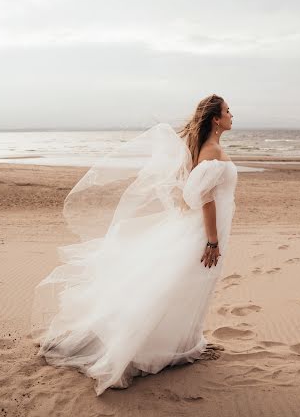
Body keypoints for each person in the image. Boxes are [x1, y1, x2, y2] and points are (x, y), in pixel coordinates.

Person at [30, 94, 237, 395]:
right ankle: (150, 347)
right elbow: (205, 201)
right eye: (228, 111)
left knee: (189, 285)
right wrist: (212, 240)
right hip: (204, 233)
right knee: (179, 286)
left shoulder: (208, 149)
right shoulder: (212, 151)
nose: (233, 115)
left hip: (204, 229)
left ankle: (184, 343)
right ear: (216, 119)